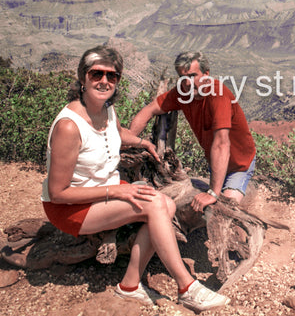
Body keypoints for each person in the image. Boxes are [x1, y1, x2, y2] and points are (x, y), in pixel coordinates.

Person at [41, 46, 229, 313]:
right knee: (154, 205)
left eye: (112, 76)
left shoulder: (106, 109)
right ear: (83, 77)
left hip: (103, 190)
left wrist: (143, 142)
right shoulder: (69, 126)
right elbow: (58, 193)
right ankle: (187, 287)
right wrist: (115, 193)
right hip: (70, 208)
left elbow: (118, 133)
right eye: (96, 74)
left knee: (167, 204)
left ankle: (129, 284)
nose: (104, 81)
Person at [130, 51, 256, 213]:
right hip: (216, 163)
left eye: (192, 76)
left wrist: (213, 193)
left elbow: (221, 144)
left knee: (226, 209)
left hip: (239, 165)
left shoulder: (218, 95)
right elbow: (149, 110)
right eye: (183, 78)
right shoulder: (183, 93)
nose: (188, 82)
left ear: (206, 74)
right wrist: (130, 141)